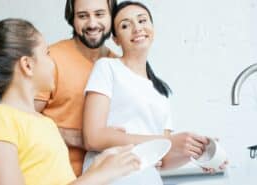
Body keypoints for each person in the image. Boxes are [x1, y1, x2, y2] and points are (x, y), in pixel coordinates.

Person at [0, 18, 141, 185]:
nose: (52, 61)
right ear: (27, 65)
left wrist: (98, 168)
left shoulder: (47, 124)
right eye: (46, 53)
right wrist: (98, 176)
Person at [82, 1, 227, 185]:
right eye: (125, 25)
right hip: (110, 178)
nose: (137, 28)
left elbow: (162, 160)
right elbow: (93, 138)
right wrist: (166, 140)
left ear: (153, 29)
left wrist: (195, 152)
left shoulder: (161, 91)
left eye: (142, 21)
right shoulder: (107, 68)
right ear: (116, 39)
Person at [34, 0, 120, 176]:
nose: (92, 24)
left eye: (99, 14)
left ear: (112, 17)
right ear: (72, 19)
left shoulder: (119, 66)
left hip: (108, 178)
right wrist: (76, 137)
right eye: (83, 16)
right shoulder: (50, 59)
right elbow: (20, 118)